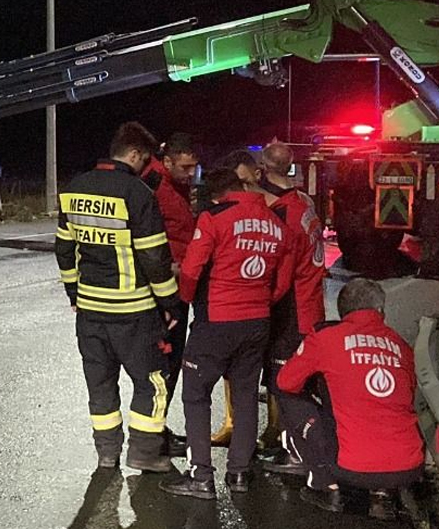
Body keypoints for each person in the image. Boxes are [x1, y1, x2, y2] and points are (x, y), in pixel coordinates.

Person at [56, 122, 180, 473]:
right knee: (152, 382)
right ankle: (143, 451)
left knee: (100, 385)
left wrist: (73, 292)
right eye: (145, 160)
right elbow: (154, 258)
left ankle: (107, 454)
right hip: (134, 311)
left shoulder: (75, 188)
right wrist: (169, 303)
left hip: (90, 312)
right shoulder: (137, 193)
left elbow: (63, 249)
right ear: (135, 154)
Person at [162, 168, 291, 499]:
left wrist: (186, 301)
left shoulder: (214, 217)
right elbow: (281, 282)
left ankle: (201, 475)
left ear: (217, 195)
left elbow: (191, 271)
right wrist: (259, 300)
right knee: (246, 396)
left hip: (216, 321)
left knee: (196, 394)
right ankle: (239, 474)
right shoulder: (278, 224)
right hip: (258, 321)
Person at [277, 278, 423, 519]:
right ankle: (383, 495)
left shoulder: (327, 338)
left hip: (351, 468)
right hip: (408, 468)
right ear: (381, 311)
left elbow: (286, 382)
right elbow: (408, 394)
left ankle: (327, 486)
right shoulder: (401, 346)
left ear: (342, 310)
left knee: (287, 395)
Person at [257, 141, 328, 474]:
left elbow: (281, 275)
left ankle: (295, 450)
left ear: (263, 169)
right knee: (300, 379)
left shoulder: (283, 213)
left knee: (285, 381)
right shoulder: (306, 202)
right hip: (312, 304)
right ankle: (287, 441)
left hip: (293, 309)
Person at [140, 133, 199, 456]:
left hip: (177, 287)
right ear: (167, 161)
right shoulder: (152, 185)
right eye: (185, 167)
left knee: (169, 364)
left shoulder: (174, 185)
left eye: (194, 167)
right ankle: (152, 435)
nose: (191, 174)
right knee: (162, 364)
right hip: (163, 292)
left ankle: (156, 429)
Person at [207, 147, 264, 446]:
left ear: (256, 175)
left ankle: (270, 433)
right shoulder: (229, 213)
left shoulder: (275, 209)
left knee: (264, 374)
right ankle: (235, 427)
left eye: (244, 182)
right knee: (237, 373)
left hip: (265, 302)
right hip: (251, 304)